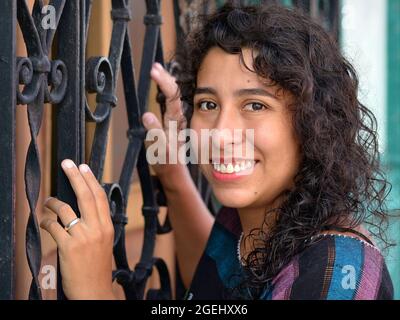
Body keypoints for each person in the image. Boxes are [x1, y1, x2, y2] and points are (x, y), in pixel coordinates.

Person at [40, 3, 394, 300]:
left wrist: (95, 290)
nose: (221, 134)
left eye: (255, 105)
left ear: (313, 124)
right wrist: (174, 175)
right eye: (207, 103)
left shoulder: (334, 275)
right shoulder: (248, 220)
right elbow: (218, 285)